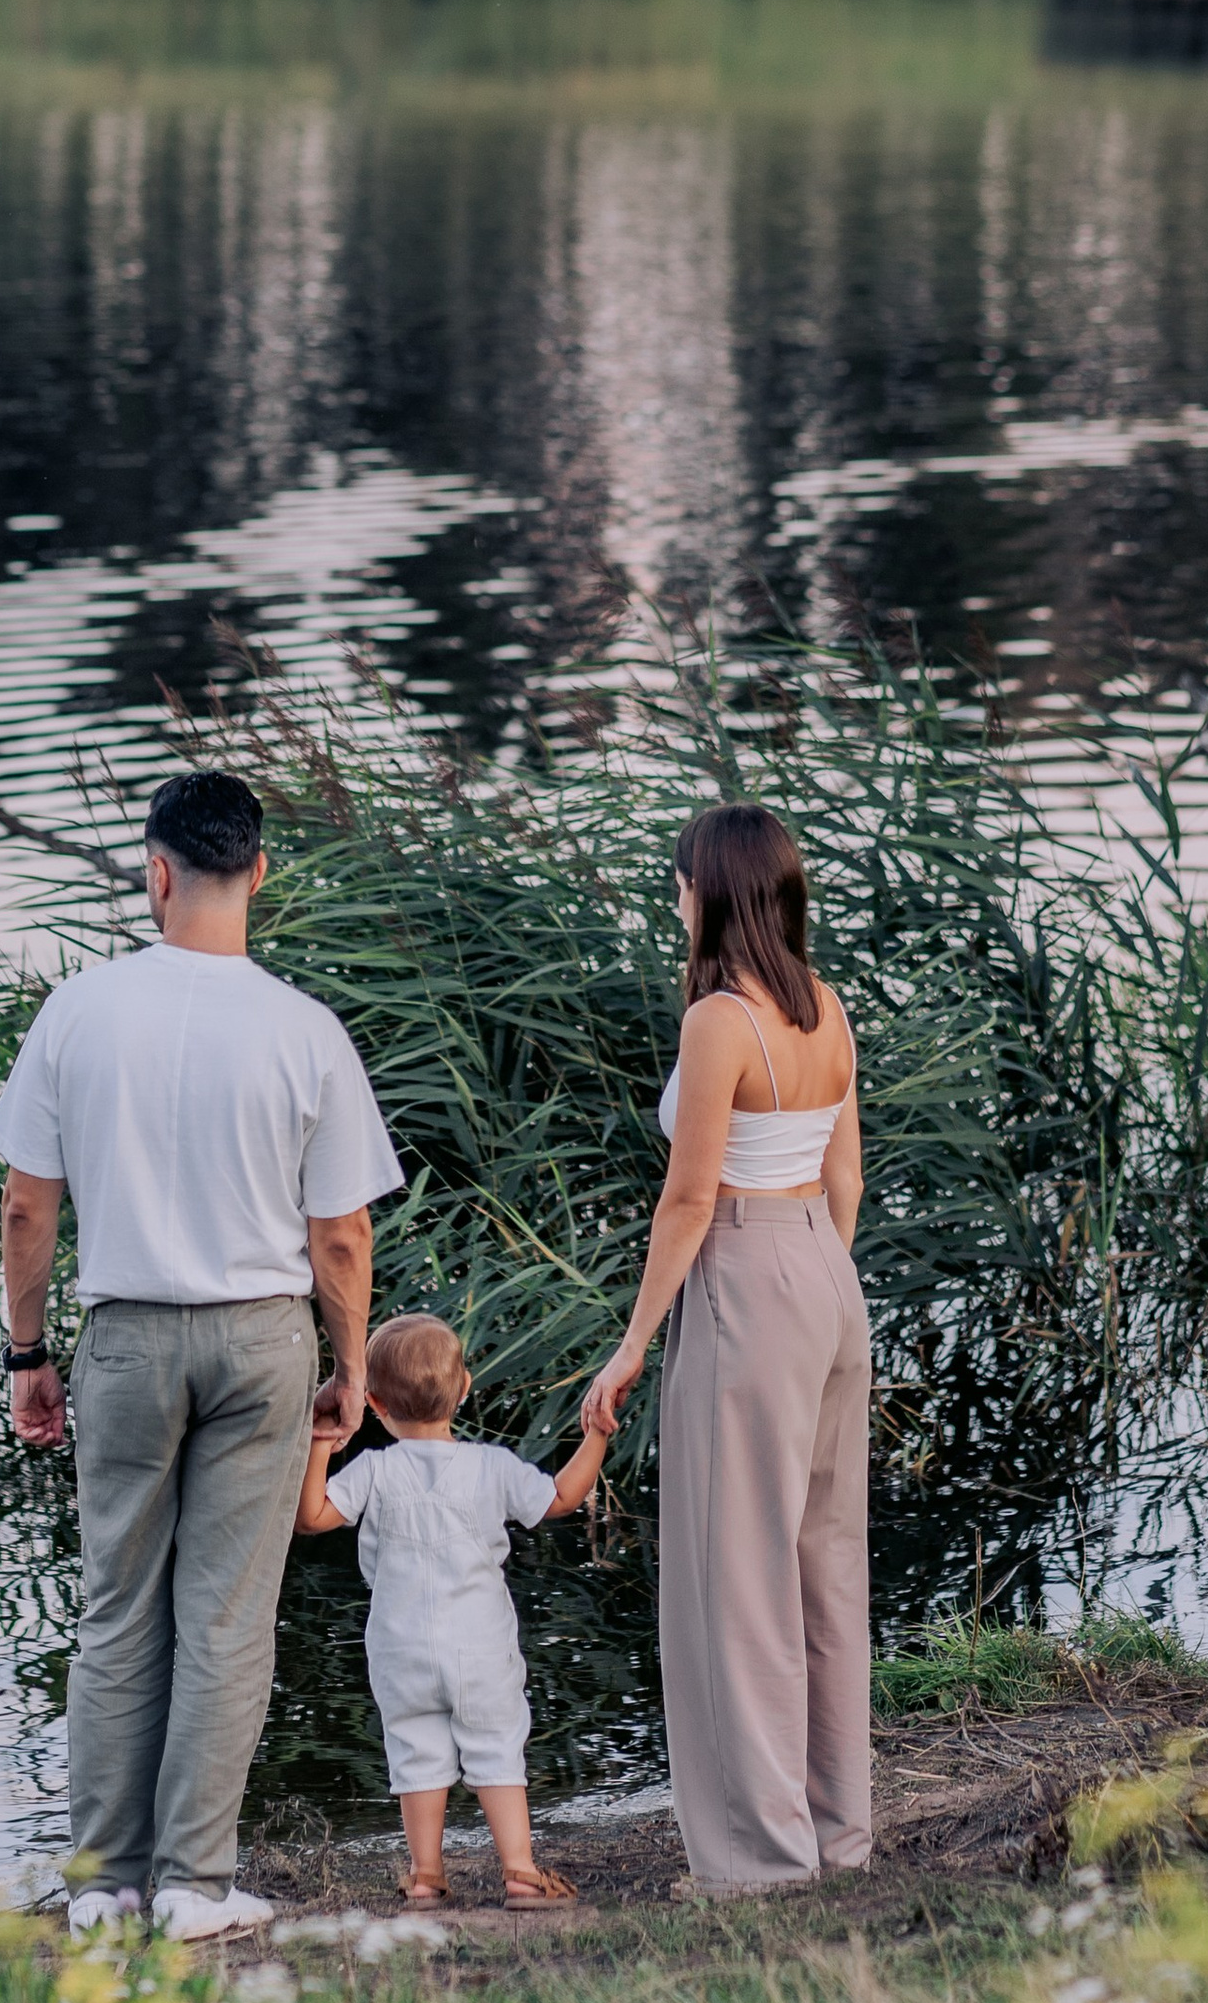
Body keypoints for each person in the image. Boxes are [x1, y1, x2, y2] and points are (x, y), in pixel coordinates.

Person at [0, 767, 401, 1941]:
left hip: (123, 1339)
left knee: (117, 1611)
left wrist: (27, 1353)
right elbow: (341, 1232)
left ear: (155, 873)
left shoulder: (77, 1009)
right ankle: (194, 1888)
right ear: (258, 873)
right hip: (261, 1339)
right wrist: (351, 1366)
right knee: (225, 1619)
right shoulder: (303, 1028)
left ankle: (102, 1888)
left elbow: (27, 1206)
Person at [579, 802, 869, 1893]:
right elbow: (843, 1177)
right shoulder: (827, 1007)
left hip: (749, 1272)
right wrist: (820, 1277)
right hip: (826, 1278)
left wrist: (628, 1347)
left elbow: (687, 1200)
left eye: (679, 881)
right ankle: (837, 1837)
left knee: (737, 1578)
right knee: (823, 1567)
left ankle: (756, 1860)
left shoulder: (718, 1022)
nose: (675, 897)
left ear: (713, 893)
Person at [298, 1310, 606, 1906]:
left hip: (400, 1647)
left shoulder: (373, 1471)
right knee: (495, 1745)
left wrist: (318, 1443)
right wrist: (596, 1433)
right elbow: (563, 1497)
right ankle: (519, 1872)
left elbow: (310, 1518)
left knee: (415, 1750)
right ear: (465, 1387)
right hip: (481, 1647)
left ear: (377, 1404)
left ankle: (425, 1876)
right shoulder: (491, 1466)